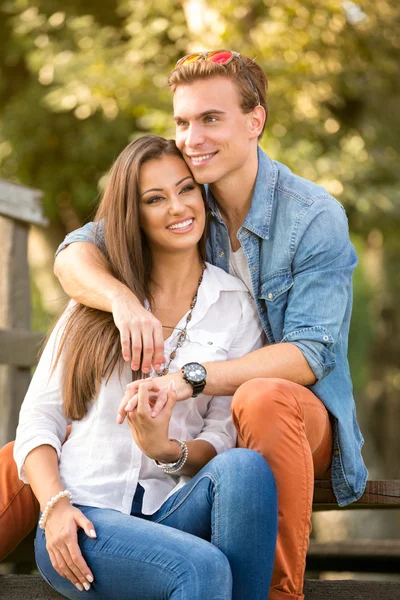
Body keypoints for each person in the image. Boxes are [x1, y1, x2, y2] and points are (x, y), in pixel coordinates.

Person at [2, 49, 367, 599]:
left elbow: (310, 355)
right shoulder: (173, 207)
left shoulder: (308, 220)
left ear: (255, 121)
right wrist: (122, 303)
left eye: (210, 119)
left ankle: (279, 593)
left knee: (256, 419)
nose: (192, 138)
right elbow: (75, 254)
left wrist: (170, 424)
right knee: (18, 463)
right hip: (93, 507)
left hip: (293, 413)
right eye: (182, 121)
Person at [10, 135, 278, 600]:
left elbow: (220, 435)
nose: (178, 208)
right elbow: (39, 419)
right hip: (87, 519)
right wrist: (54, 507)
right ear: (133, 215)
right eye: (155, 199)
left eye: (187, 189)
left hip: (173, 506)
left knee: (246, 467)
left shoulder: (236, 306)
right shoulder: (94, 301)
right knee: (202, 568)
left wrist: (165, 448)